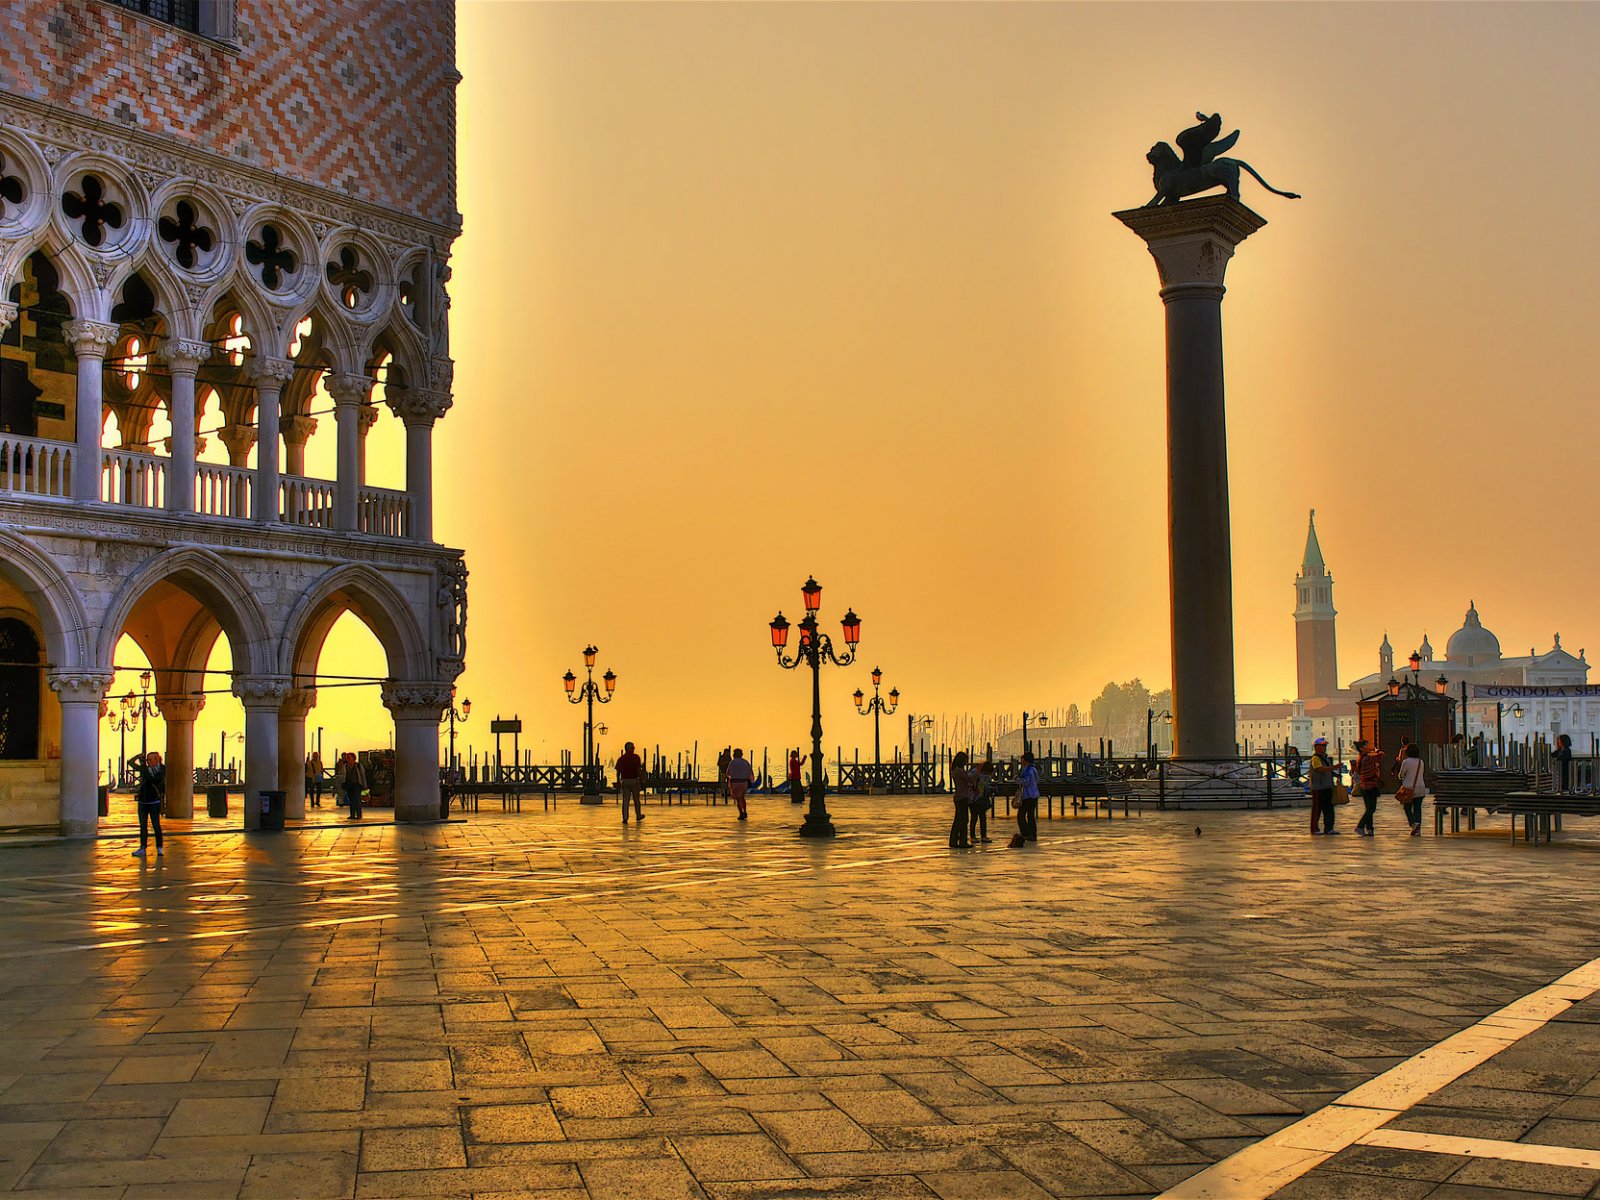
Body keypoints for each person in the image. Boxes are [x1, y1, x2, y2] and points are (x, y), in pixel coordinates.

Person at [129, 750, 164, 857]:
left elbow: (152, 780)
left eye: (150, 760)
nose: (148, 762)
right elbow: (131, 763)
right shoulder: (145, 769)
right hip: (143, 802)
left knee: (156, 825)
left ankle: (159, 847)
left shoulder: (161, 770)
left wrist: (144, 766)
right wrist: (138, 757)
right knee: (143, 826)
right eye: (147, 760)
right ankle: (142, 848)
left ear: (156, 760)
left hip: (154, 801)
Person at [1353, 739, 1383, 837]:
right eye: (1366, 746)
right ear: (1362, 748)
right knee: (1372, 809)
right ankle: (1360, 826)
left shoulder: (1360, 758)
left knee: (1368, 808)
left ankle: (1369, 829)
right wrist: (1376, 750)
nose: (1368, 747)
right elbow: (1381, 755)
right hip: (1371, 786)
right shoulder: (1367, 759)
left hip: (1363, 786)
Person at [1396, 741, 1427, 836]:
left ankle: (1414, 823)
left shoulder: (1406, 762)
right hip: (1421, 787)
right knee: (1418, 808)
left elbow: (1401, 774)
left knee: (1407, 807)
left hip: (1409, 788)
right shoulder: (1421, 762)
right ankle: (1418, 829)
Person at [1308, 737, 1337, 835]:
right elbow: (1319, 769)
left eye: (1324, 746)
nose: (1324, 748)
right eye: (1322, 746)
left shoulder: (1325, 758)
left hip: (1327, 786)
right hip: (1318, 787)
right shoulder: (1315, 758)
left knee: (1329, 809)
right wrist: (1333, 768)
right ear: (1316, 747)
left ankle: (1329, 828)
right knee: (1317, 809)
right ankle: (1314, 829)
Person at [1011, 751, 1040, 847]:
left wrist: (1016, 779)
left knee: (1021, 816)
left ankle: (1026, 833)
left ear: (1025, 760)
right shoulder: (1034, 769)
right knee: (1030, 815)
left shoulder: (1027, 770)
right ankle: (1032, 834)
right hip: (1034, 794)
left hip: (1028, 796)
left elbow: (1025, 782)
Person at [949, 752, 976, 848]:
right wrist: (977, 772)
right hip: (962, 797)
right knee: (963, 820)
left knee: (958, 820)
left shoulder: (956, 770)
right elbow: (969, 779)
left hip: (959, 797)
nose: (966, 763)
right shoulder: (959, 771)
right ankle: (962, 841)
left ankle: (954, 841)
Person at [617, 741, 645, 823]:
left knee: (626, 800)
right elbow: (638, 770)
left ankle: (625, 817)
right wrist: (642, 779)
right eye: (633, 747)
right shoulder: (636, 757)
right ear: (630, 749)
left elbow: (618, 771)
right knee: (636, 799)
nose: (634, 748)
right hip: (634, 780)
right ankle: (638, 815)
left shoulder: (621, 759)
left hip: (625, 780)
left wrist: (618, 780)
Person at [726, 748, 754, 820]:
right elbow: (750, 773)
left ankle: (741, 813)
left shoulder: (732, 762)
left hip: (736, 782)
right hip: (744, 782)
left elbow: (728, 773)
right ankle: (744, 811)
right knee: (742, 797)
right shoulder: (745, 762)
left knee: (738, 799)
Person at [970, 760, 993, 844]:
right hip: (973, 798)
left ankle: (983, 836)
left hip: (981, 798)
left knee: (983, 818)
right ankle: (972, 836)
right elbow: (969, 781)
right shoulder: (975, 772)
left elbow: (985, 785)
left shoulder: (984, 775)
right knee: (974, 818)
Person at [342, 752, 366, 820]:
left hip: (357, 785)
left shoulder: (358, 765)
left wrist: (364, 786)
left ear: (353, 758)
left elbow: (362, 776)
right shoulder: (346, 766)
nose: (348, 759)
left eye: (349, 758)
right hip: (349, 785)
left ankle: (359, 814)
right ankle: (352, 814)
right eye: (347, 758)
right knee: (351, 800)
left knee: (356, 799)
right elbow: (344, 776)